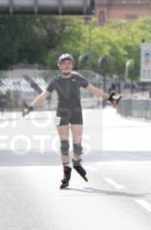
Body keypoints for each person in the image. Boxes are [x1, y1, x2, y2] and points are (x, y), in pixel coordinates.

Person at [23, 53, 121, 189]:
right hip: (61, 114)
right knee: (64, 146)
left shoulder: (77, 78)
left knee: (77, 146)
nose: (66, 65)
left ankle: (76, 162)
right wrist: (30, 107)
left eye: (69, 63)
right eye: (63, 63)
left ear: (72, 65)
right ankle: (66, 174)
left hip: (76, 114)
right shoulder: (55, 81)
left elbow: (94, 90)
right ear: (59, 66)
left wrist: (112, 98)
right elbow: (43, 96)